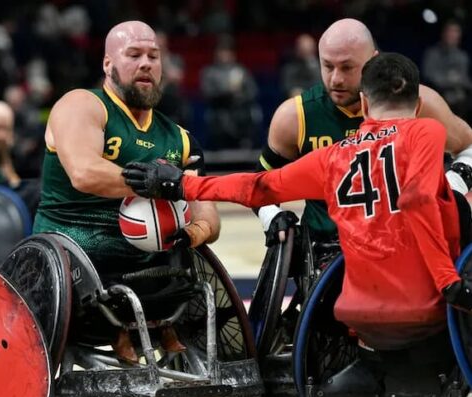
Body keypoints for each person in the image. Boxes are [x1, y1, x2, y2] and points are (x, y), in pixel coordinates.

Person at [124, 52, 471, 351]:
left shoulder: (331, 157)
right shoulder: (428, 131)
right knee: (458, 197)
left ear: (363, 103)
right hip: (431, 301)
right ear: (420, 106)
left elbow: (257, 187)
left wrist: (180, 184)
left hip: (354, 308)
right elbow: (419, 199)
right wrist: (448, 281)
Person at [34, 20, 220, 361]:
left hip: (149, 259)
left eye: (154, 55)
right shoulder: (81, 105)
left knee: (183, 257)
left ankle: (162, 326)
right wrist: (156, 184)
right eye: (133, 54)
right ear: (108, 64)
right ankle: (124, 331)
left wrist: (193, 233)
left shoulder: (179, 138)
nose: (146, 63)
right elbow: (84, 173)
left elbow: (208, 214)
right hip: (76, 248)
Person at [256, 18, 472, 249]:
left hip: (406, 246)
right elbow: (260, 183)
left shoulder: (416, 102)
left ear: (373, 61)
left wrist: (454, 186)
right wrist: (272, 217)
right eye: (327, 66)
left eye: (347, 67)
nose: (336, 79)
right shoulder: (295, 116)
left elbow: (468, 147)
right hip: (325, 250)